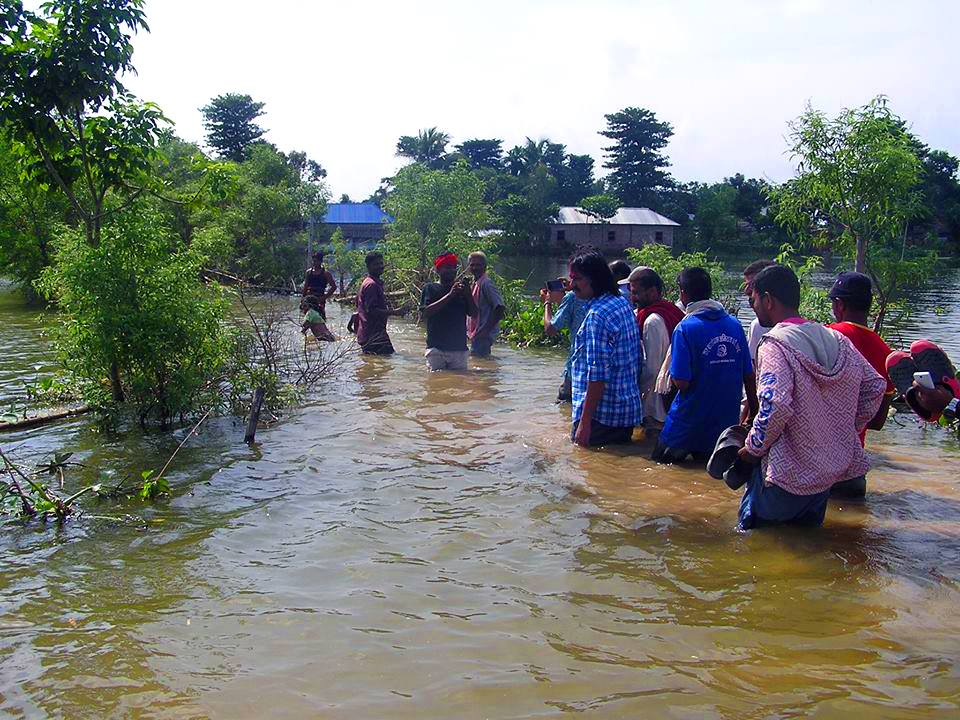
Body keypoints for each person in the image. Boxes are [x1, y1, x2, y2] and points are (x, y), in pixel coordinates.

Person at [736, 265, 886, 529]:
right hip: (825, 477)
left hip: (786, 475)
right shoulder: (836, 338)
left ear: (768, 299)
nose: (754, 306)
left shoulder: (775, 343)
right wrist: (843, 429)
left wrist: (752, 449)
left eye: (755, 299)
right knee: (807, 547)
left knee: (758, 548)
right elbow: (875, 386)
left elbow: (776, 404)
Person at [653, 267, 757, 464]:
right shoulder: (734, 325)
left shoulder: (685, 328)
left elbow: (681, 381)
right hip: (722, 426)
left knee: (661, 471)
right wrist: (753, 414)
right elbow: (749, 375)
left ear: (683, 293)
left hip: (686, 424)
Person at [825, 271, 896, 498]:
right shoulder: (886, 353)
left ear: (839, 305)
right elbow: (877, 422)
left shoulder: (829, 336)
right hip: (854, 468)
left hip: (818, 464)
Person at [568, 251, 642, 447]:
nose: (572, 285)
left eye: (577, 279)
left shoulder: (598, 315)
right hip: (624, 411)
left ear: (595, 280)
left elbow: (598, 375)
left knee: (584, 471)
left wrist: (584, 424)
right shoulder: (621, 303)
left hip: (602, 417)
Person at [628, 266, 685, 430]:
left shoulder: (651, 321)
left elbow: (652, 369)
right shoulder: (672, 310)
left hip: (656, 402)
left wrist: (636, 393)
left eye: (636, 293)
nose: (632, 298)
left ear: (653, 291)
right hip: (672, 394)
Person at [421, 252, 478, 371]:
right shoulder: (430, 288)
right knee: (436, 384)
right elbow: (425, 312)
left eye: (453, 267)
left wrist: (468, 294)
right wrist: (450, 295)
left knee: (458, 386)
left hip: (458, 348)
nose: (451, 271)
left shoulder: (461, 290)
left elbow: (474, 314)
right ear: (438, 270)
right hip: (436, 349)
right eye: (447, 267)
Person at [541, 279, 591, 403]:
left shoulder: (572, 298)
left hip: (578, 364)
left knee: (565, 401)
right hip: (600, 366)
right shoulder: (610, 296)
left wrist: (547, 303)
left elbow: (550, 329)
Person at [355, 251, 405, 355]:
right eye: (376, 264)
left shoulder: (371, 282)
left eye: (381, 263)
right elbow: (371, 310)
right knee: (386, 364)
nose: (380, 266)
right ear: (368, 266)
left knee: (378, 366)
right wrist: (395, 312)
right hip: (373, 335)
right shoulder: (371, 285)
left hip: (373, 333)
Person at [465, 251, 505, 357]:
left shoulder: (486, 283)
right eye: (472, 265)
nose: (475, 268)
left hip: (482, 334)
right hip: (476, 333)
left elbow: (499, 307)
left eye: (478, 265)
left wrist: (485, 330)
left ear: (485, 267)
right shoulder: (475, 283)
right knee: (479, 362)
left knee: (478, 365)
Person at [302, 251, 337, 319]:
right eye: (313, 261)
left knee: (320, 318)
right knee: (307, 319)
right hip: (309, 298)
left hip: (319, 298)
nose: (314, 263)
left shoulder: (326, 273)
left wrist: (324, 297)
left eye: (316, 261)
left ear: (320, 262)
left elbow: (334, 287)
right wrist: (302, 299)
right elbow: (305, 286)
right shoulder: (309, 272)